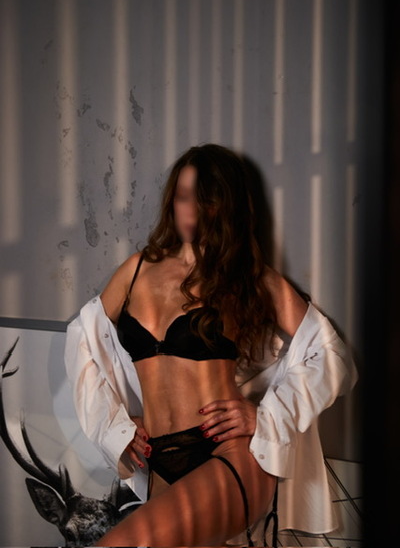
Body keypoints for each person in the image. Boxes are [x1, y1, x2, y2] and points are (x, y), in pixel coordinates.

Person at [64, 144, 357, 547]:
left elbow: (331, 355)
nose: (191, 210)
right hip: (159, 461)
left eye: (205, 200)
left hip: (227, 455)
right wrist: (114, 427)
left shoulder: (246, 276)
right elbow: (81, 340)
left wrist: (267, 417)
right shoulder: (136, 270)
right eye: (183, 196)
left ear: (225, 206)